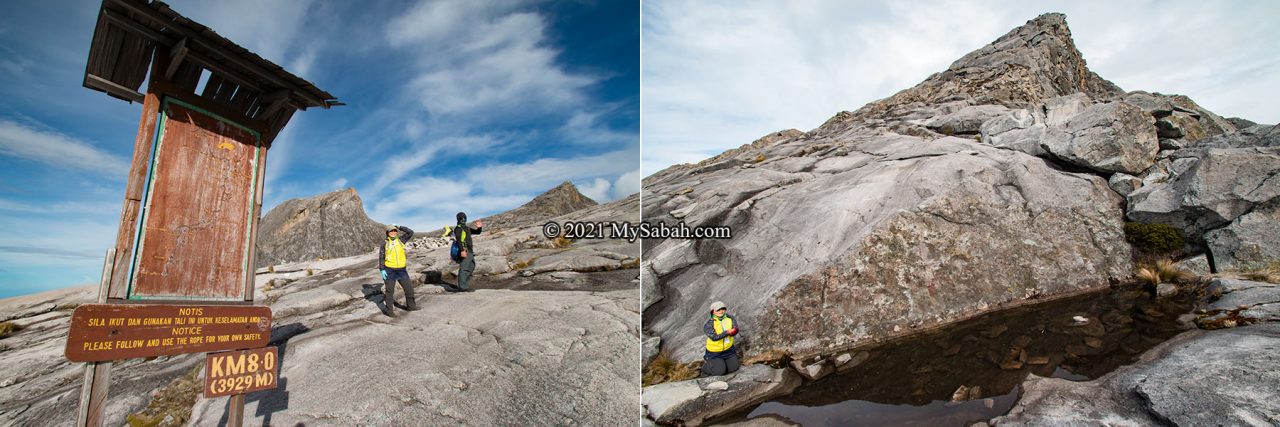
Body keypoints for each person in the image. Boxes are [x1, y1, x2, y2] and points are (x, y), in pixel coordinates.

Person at [377, 224, 418, 316]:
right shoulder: (384, 243)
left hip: (401, 270)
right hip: (389, 270)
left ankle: (411, 306)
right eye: (391, 231)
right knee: (389, 292)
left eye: (395, 231)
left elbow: (410, 232)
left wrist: (400, 227)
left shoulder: (401, 240)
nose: (393, 232)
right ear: (387, 233)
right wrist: (382, 269)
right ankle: (389, 311)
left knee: (409, 289)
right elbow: (381, 257)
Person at [702, 301, 741, 376]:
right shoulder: (709, 324)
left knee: (733, 368)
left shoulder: (730, 318)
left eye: (723, 309)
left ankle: (721, 364)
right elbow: (714, 337)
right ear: (713, 312)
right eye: (718, 310)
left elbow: (736, 329)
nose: (721, 311)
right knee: (720, 372)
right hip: (714, 352)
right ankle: (706, 367)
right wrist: (727, 332)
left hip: (729, 350)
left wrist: (734, 331)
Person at [451, 212, 483, 292]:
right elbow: (458, 240)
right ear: (458, 219)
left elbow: (477, 232)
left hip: (470, 251)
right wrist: (462, 251)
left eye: (464, 218)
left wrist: (479, 228)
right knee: (464, 268)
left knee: (471, 266)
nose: (463, 220)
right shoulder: (458, 228)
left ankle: (465, 284)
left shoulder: (466, 228)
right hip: (464, 250)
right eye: (461, 218)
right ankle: (463, 287)